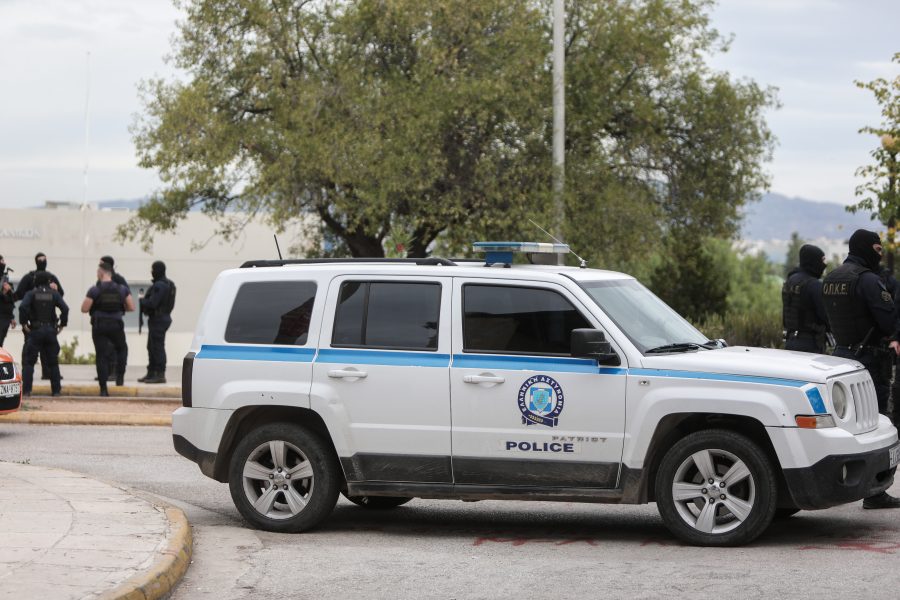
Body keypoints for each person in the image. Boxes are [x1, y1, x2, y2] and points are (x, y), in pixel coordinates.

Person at [824, 229, 900, 509]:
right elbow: (889, 320)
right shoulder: (867, 280)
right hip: (868, 360)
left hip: (840, 357)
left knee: (847, 425)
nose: (880, 255)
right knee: (875, 425)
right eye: (877, 250)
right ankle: (875, 492)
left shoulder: (832, 278)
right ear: (866, 248)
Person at [82, 262, 134, 396]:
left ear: (101, 274)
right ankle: (120, 376)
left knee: (101, 356)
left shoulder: (94, 290)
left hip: (100, 325)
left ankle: (103, 389)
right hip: (116, 324)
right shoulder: (122, 289)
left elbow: (84, 309)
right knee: (122, 348)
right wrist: (119, 308)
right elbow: (131, 307)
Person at [15, 252, 64, 380]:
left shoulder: (51, 277)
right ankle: (25, 374)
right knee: (29, 349)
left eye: (44, 259)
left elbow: (61, 296)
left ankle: (48, 373)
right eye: (40, 259)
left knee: (48, 350)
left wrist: (56, 289)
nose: (42, 261)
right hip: (32, 321)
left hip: (48, 320)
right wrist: (33, 292)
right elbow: (19, 294)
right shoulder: (28, 278)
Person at [18, 271, 68, 397]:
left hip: (36, 330)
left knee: (30, 362)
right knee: (53, 362)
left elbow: (22, 307)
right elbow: (65, 308)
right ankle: (56, 391)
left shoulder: (31, 294)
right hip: (50, 330)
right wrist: (62, 324)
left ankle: (27, 391)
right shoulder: (54, 294)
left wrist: (24, 323)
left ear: (36, 282)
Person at [782, 244, 830, 354]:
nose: (825, 263)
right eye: (823, 259)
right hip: (809, 344)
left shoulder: (789, 282)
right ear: (814, 261)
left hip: (790, 341)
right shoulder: (814, 285)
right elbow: (827, 317)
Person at [90, 256, 130, 382]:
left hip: (113, 319)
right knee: (104, 348)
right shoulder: (100, 282)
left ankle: (114, 372)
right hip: (102, 320)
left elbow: (127, 296)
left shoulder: (118, 280)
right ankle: (105, 372)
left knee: (114, 347)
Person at [138, 261, 174, 384]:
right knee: (151, 346)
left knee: (157, 347)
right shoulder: (166, 284)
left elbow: (152, 303)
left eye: (152, 269)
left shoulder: (160, 285)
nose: (151, 271)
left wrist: (141, 300)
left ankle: (159, 375)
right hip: (160, 319)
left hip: (158, 320)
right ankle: (151, 373)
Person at [0, 256, 17, 347]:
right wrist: (3, 293)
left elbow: (10, 300)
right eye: (1, 262)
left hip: (6, 318)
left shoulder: (4, 279)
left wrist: (12, 317)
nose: (3, 264)